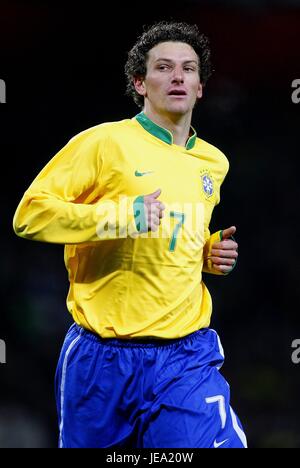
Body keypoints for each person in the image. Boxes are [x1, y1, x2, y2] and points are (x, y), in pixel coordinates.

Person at [13, 21, 247, 448]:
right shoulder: (103, 143)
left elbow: (174, 233)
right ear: (139, 82)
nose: (178, 76)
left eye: (189, 69)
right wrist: (118, 218)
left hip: (185, 357)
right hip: (101, 359)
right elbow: (29, 217)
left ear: (200, 88)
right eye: (163, 67)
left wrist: (205, 252)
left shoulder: (214, 162)